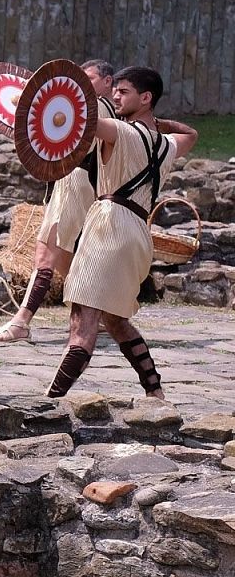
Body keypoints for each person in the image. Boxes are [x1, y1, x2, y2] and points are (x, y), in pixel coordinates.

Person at [48, 67, 197, 398]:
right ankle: (155, 392)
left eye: (124, 92)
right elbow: (191, 134)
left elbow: (79, 121)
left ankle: (49, 404)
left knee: (82, 325)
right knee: (115, 320)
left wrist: (39, 102)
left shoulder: (119, 131)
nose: (115, 96)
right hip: (138, 234)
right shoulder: (165, 145)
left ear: (146, 98)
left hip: (108, 226)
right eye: (115, 91)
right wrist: (158, 123)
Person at [0, 60, 116, 343]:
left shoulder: (100, 109)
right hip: (73, 182)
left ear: (107, 82)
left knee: (45, 255)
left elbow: (66, 126)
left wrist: (33, 103)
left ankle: (21, 322)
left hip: (77, 181)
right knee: (69, 261)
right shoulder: (93, 108)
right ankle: (101, 316)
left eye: (90, 77)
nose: (84, 82)